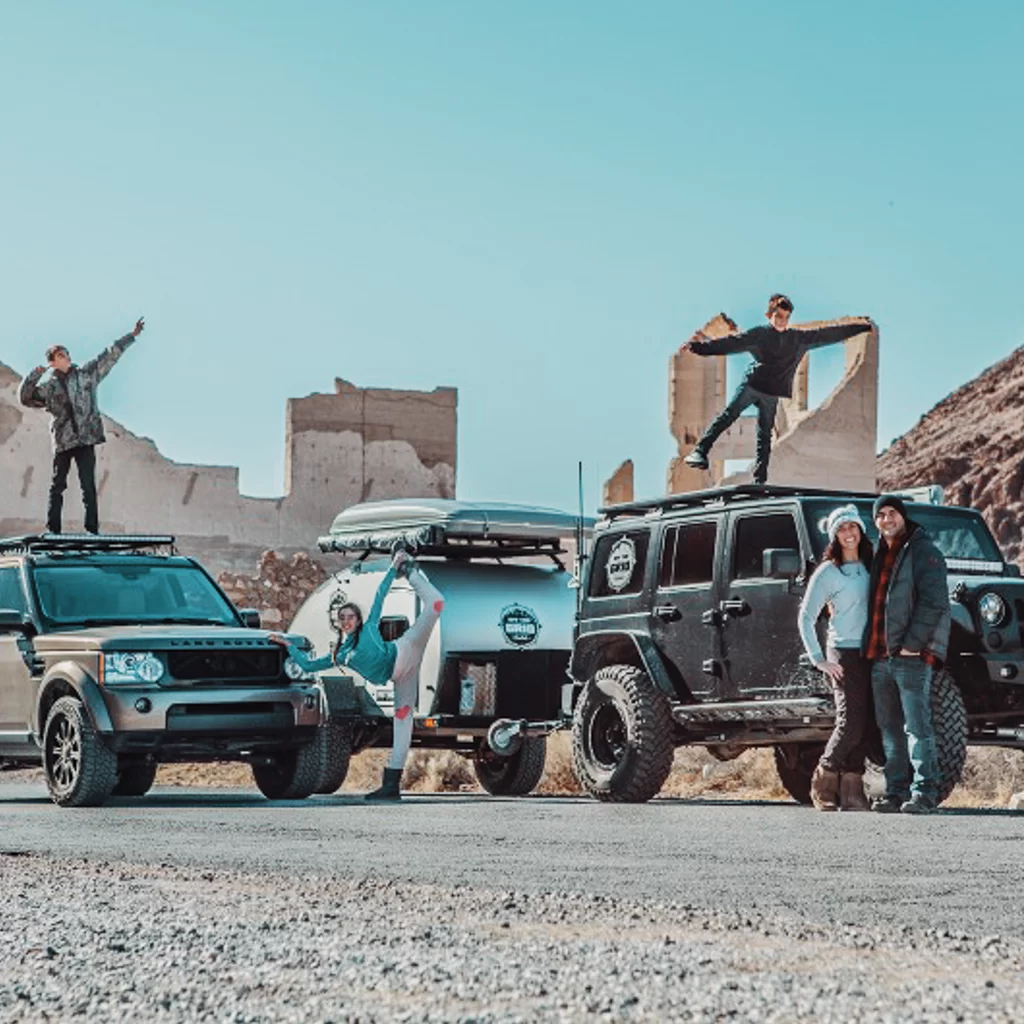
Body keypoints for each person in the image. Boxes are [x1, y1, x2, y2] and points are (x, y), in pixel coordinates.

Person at [272, 549, 445, 801]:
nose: (346, 621)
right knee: (402, 719)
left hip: (407, 648)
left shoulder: (371, 625)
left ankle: (410, 571)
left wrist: (395, 569)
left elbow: (380, 594)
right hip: (400, 675)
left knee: (437, 604)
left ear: (358, 619)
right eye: (342, 618)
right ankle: (391, 785)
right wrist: (289, 646)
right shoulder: (341, 653)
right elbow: (309, 666)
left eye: (350, 617)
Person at [681, 296, 872, 484]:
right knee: (729, 415)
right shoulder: (759, 335)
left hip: (772, 393)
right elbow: (730, 343)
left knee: (764, 435)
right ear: (769, 315)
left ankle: (759, 480)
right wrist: (698, 348)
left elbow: (828, 334)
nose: (783, 321)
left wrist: (860, 328)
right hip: (752, 385)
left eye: (786, 317)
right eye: (779, 316)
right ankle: (699, 452)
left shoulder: (797, 339)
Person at [863, 495, 951, 815]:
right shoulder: (877, 553)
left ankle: (925, 793)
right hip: (880, 656)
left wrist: (913, 644)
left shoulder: (922, 549)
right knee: (890, 730)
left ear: (903, 516)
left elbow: (935, 601)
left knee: (917, 728)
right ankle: (896, 791)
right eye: (881, 515)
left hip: (910, 656)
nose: (887, 519)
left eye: (892, 513)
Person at [19, 318, 146, 534]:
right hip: (63, 441)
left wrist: (131, 336)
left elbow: (109, 355)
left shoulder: (86, 375)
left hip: (86, 439)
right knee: (57, 486)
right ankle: (53, 531)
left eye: (66, 353)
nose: (66, 356)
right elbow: (25, 397)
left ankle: (92, 530)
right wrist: (36, 373)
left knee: (88, 486)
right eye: (60, 355)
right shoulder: (49, 388)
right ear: (52, 361)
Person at [797, 505, 873, 812]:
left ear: (861, 530)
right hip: (843, 651)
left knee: (867, 723)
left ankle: (853, 790)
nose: (849, 533)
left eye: (852, 527)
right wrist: (819, 658)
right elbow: (805, 616)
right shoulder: (828, 571)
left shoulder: (872, 564)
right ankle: (824, 780)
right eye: (842, 529)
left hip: (872, 650)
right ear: (835, 536)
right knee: (850, 722)